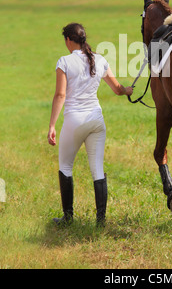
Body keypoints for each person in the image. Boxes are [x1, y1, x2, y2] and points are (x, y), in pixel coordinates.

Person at [47, 23, 133, 226]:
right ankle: (100, 221)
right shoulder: (100, 59)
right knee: (97, 169)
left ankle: (68, 219)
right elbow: (118, 89)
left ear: (69, 40)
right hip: (96, 120)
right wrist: (128, 90)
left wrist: (52, 125)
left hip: (74, 121)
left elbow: (60, 95)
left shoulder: (64, 61)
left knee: (65, 167)